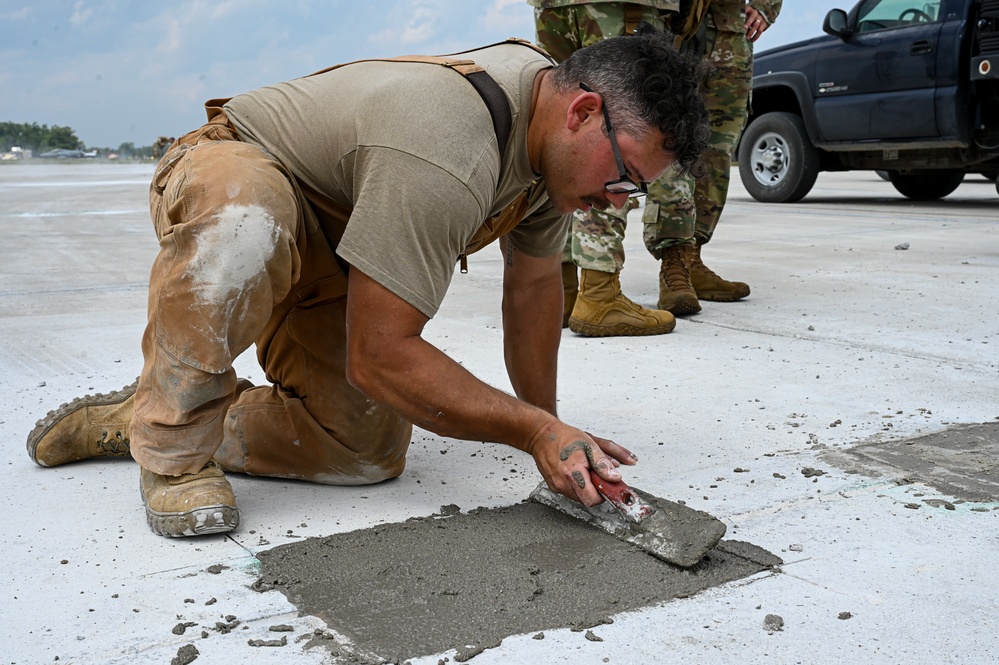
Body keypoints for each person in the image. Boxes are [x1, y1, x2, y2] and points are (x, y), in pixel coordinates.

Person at [26, 32, 709, 538]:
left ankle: (142, 412)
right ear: (583, 112)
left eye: (637, 191)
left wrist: (552, 431)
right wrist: (527, 430)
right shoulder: (447, 142)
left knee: (360, 452)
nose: (619, 202)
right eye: (622, 178)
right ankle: (171, 447)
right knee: (247, 223)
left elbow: (532, 291)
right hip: (232, 172)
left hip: (334, 247)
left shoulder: (545, 153)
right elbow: (380, 353)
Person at [529, 0, 686, 335]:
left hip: (553, 6)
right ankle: (599, 295)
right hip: (623, 4)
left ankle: (563, 292)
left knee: (562, 129)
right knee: (620, 139)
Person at [644, 0, 781, 314]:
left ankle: (692, 258)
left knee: (715, 153)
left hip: (730, 36)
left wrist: (766, 6)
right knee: (669, 146)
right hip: (670, 25)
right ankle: (674, 264)